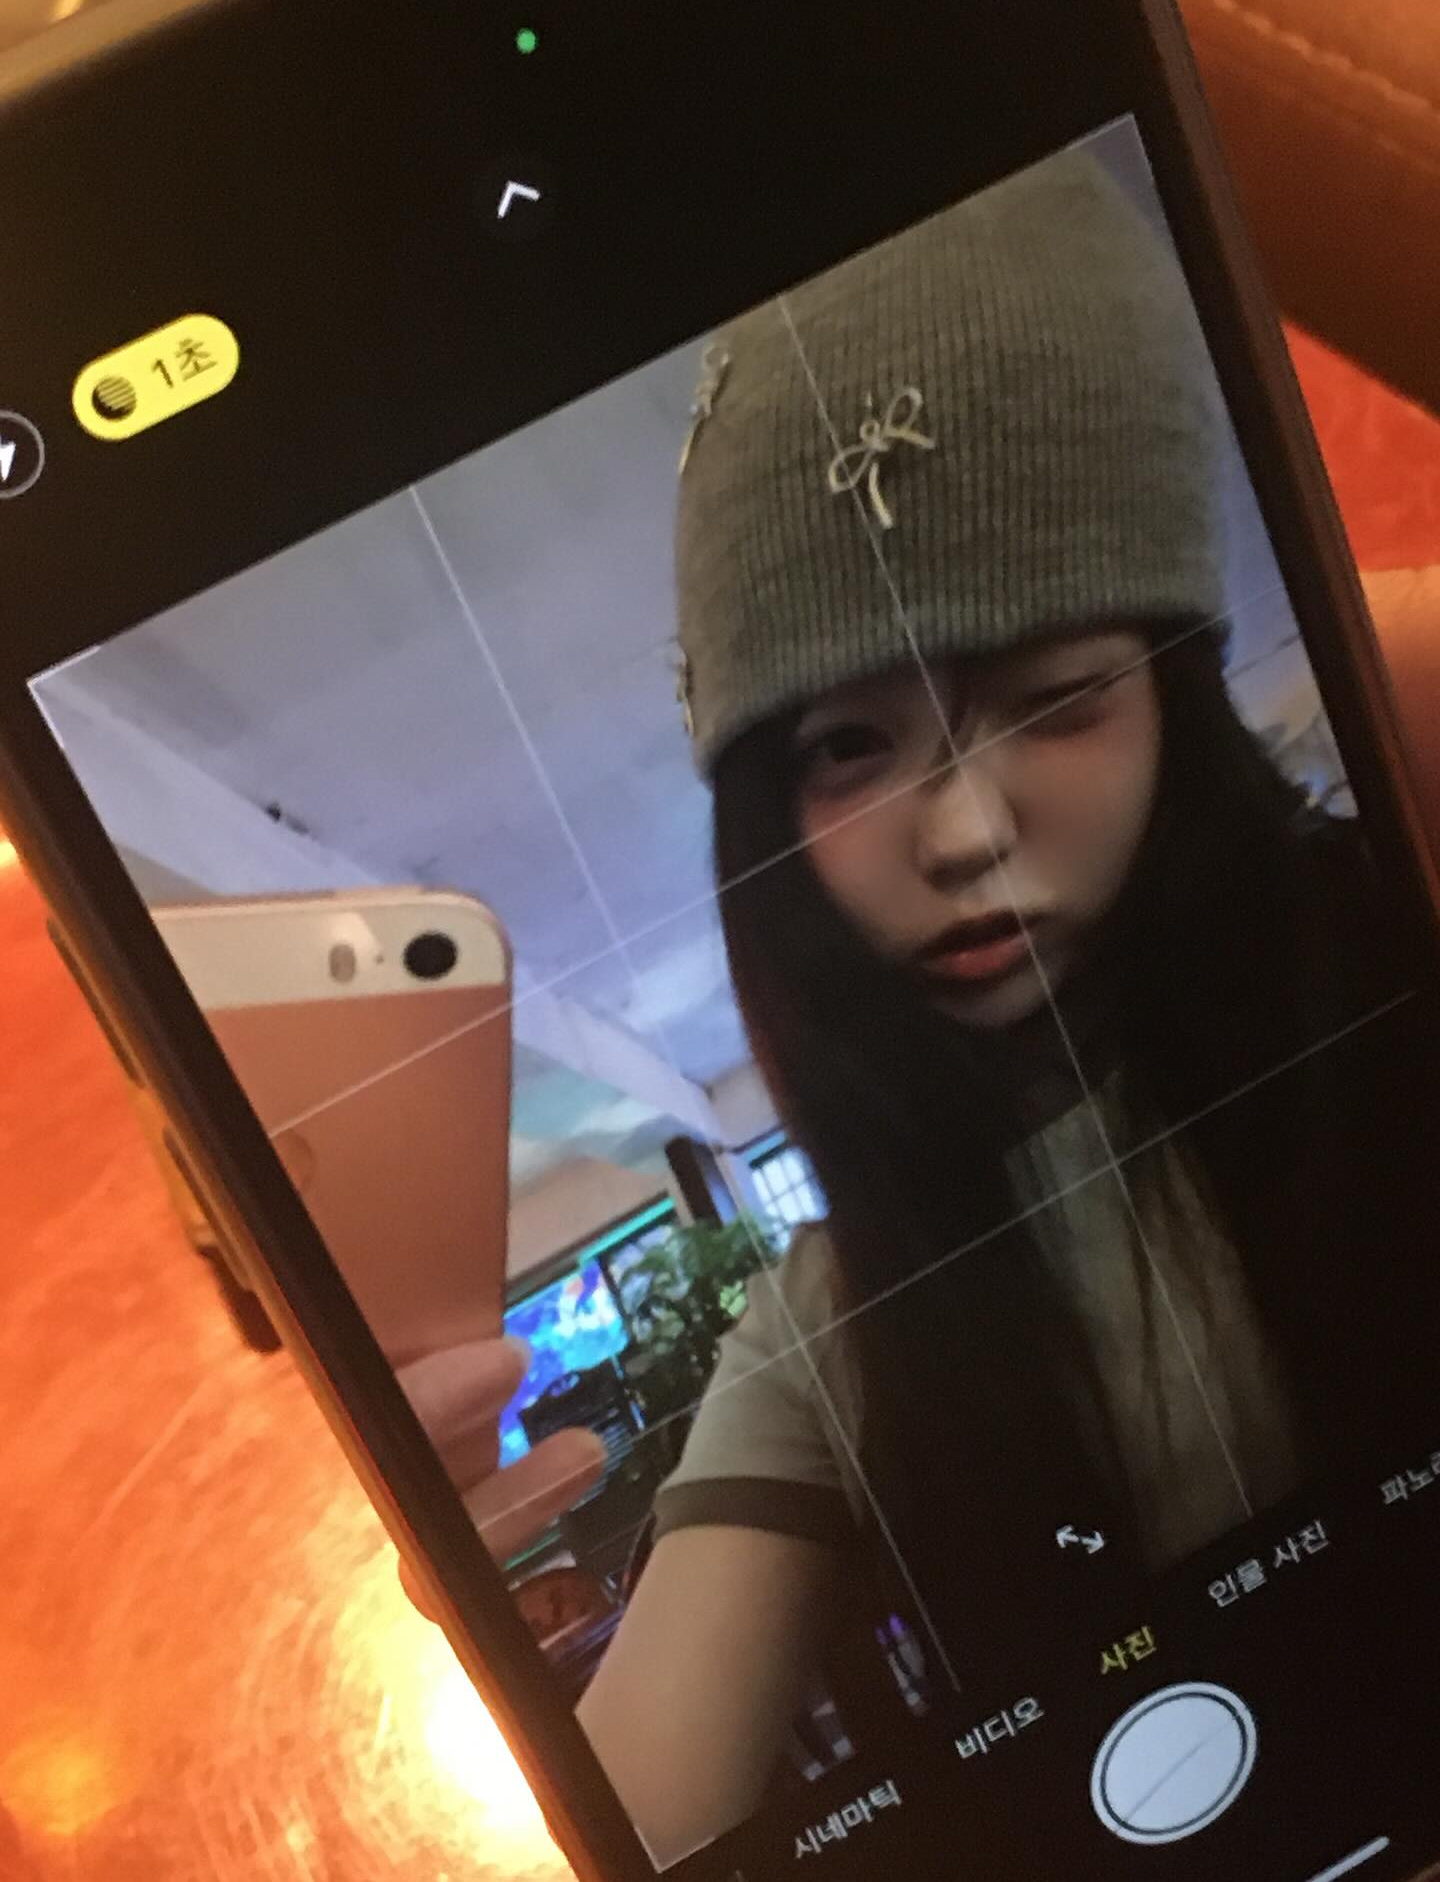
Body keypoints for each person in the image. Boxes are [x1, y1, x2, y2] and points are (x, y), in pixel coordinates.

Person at [395, 146, 1440, 1864]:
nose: (960, 833)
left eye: (1052, 697)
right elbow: (653, 1806)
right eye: (849, 746)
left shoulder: (1395, 930)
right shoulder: (835, 1317)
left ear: (1176, 693)